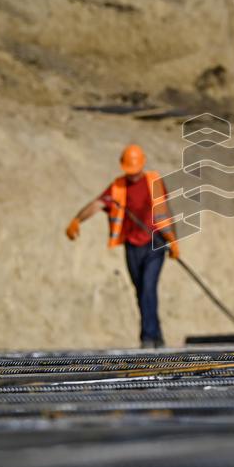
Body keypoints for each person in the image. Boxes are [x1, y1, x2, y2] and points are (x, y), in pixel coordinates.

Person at [66, 145, 179, 348]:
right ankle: (156, 336)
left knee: (148, 287)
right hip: (132, 246)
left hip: (155, 243)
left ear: (142, 165)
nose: (133, 175)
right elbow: (97, 204)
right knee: (141, 290)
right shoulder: (118, 187)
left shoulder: (154, 181)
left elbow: (164, 212)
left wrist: (173, 240)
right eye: (129, 170)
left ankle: (147, 337)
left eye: (135, 170)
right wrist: (77, 219)